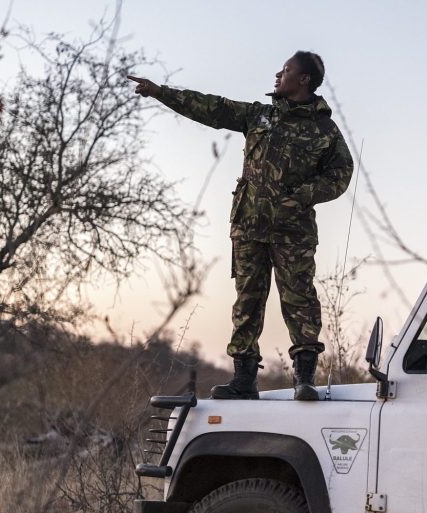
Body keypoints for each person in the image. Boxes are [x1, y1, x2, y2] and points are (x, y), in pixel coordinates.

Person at [128, 52, 353, 401]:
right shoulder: (259, 115)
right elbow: (213, 109)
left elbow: (341, 173)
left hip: (294, 233)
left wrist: (302, 196)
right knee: (247, 303)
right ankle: (244, 381)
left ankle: (304, 380)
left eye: (287, 70)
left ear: (304, 79)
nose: (278, 74)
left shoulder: (325, 130)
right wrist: (161, 92)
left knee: (300, 302)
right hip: (248, 228)